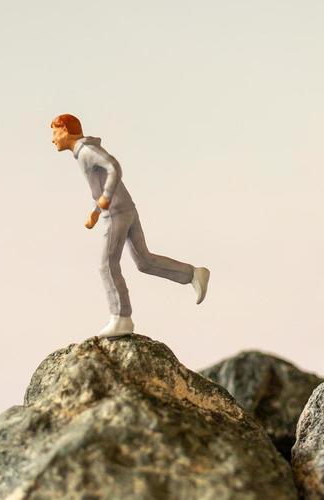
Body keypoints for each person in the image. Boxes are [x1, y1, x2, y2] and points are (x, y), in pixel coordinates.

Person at [50, 114, 210, 337]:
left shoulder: (86, 151)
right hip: (125, 209)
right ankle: (193, 274)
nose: (53, 139)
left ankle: (121, 317)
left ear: (65, 130)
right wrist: (96, 212)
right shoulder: (82, 153)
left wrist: (105, 199)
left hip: (117, 213)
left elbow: (113, 166)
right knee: (144, 261)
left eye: (55, 133)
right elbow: (102, 181)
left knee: (106, 264)